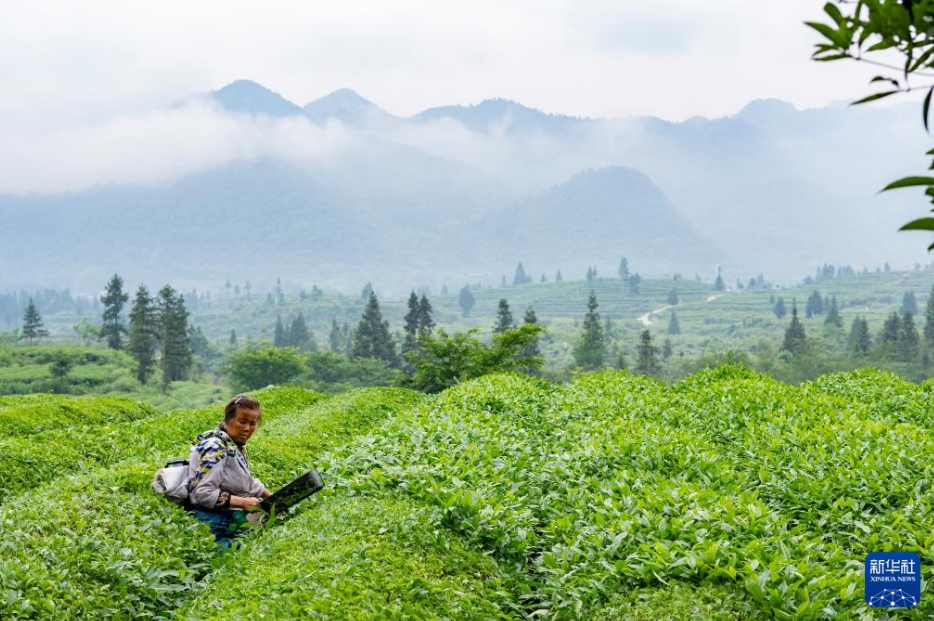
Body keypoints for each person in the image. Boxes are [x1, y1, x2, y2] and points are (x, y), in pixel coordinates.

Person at [187, 394, 272, 548]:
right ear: (228, 419)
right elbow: (203, 493)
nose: (247, 428)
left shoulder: (233, 445)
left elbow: (242, 480)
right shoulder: (215, 447)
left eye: (252, 423)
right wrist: (243, 502)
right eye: (242, 421)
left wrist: (270, 497)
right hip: (214, 523)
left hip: (228, 517)